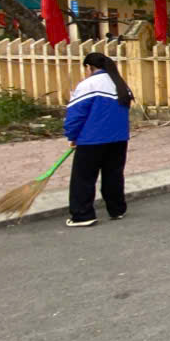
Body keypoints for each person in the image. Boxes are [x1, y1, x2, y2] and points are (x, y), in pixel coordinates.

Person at [63, 52, 134, 226]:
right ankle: (117, 209)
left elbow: (76, 114)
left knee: (84, 178)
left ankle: (83, 215)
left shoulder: (88, 85)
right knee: (113, 175)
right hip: (119, 139)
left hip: (92, 140)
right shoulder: (120, 83)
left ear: (89, 67)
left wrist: (72, 135)